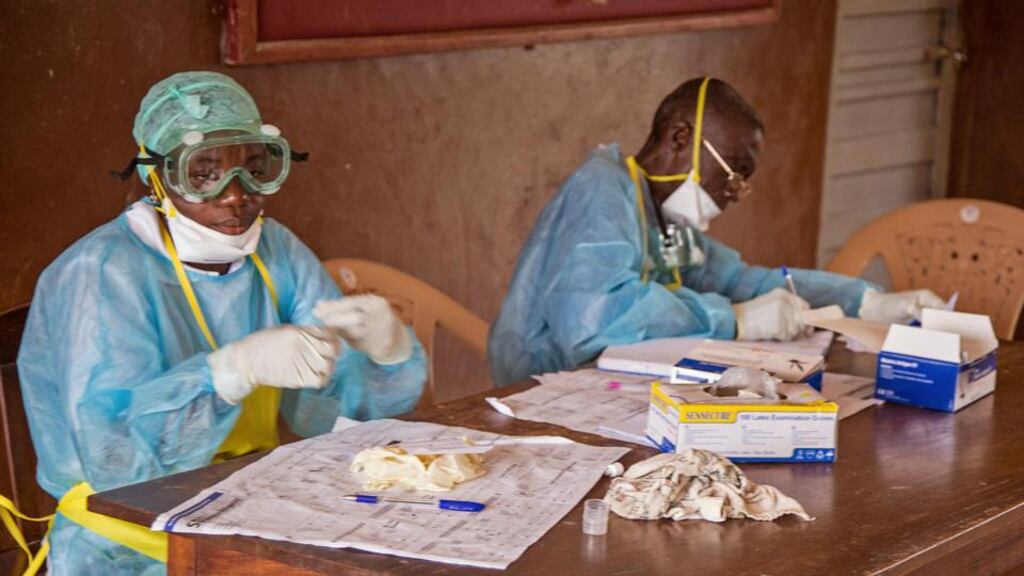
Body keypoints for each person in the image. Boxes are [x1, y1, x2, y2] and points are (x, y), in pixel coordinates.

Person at [14, 71, 428, 575]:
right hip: (129, 545)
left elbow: (332, 422)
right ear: (156, 177)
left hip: (248, 512)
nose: (236, 195)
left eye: (254, 169)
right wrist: (229, 372)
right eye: (203, 173)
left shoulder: (274, 251)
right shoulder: (100, 273)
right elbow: (117, 463)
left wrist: (385, 355)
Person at [488, 77, 943, 386]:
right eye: (733, 173)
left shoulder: (664, 217)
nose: (733, 193)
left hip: (612, 387)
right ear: (680, 139)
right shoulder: (602, 189)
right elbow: (595, 320)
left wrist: (863, 301)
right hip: (542, 391)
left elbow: (741, 282)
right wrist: (736, 320)